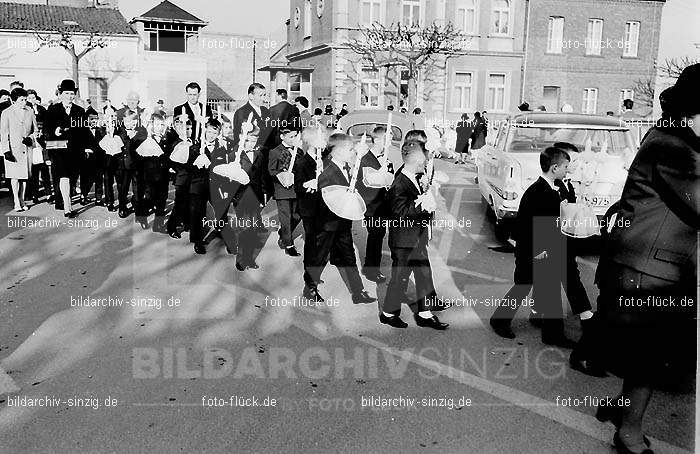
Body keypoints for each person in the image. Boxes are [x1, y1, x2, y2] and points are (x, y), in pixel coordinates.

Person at [591, 64, 698, 454]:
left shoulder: (679, 142)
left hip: (657, 268)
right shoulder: (672, 146)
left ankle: (621, 409)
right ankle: (628, 434)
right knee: (649, 359)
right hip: (647, 272)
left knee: (648, 355)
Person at [490, 147, 575, 347]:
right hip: (534, 249)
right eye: (565, 167)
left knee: (542, 287)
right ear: (554, 168)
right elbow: (532, 227)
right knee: (529, 286)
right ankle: (500, 321)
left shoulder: (551, 187)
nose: (567, 171)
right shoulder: (540, 192)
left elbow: (566, 206)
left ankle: (545, 327)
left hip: (540, 246)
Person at [381, 140, 448, 330]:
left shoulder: (413, 177)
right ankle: (388, 313)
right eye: (423, 160)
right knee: (399, 278)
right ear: (416, 161)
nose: (426, 163)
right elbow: (398, 213)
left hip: (416, 238)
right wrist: (420, 205)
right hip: (404, 241)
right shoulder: (400, 183)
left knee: (424, 274)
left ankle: (425, 313)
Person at [302, 133, 376, 305]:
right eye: (350, 149)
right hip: (327, 224)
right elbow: (323, 200)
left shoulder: (348, 168)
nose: (352, 153)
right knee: (319, 257)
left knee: (349, 258)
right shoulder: (327, 172)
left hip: (343, 223)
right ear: (337, 151)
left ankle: (358, 292)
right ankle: (310, 288)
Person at [43, 79, 89, 218]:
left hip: (75, 150)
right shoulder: (53, 110)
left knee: (72, 177)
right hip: (59, 150)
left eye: (72, 93)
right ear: (61, 94)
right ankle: (67, 207)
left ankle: (65, 200)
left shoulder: (80, 111)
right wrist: (54, 131)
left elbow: (84, 131)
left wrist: (88, 147)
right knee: (64, 177)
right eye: (66, 93)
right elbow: (46, 129)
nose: (69, 96)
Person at [357, 125, 395, 283]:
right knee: (376, 236)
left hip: (383, 204)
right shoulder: (366, 159)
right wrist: (383, 174)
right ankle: (371, 269)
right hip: (371, 206)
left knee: (379, 236)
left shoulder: (386, 158)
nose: (391, 142)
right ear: (378, 139)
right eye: (388, 138)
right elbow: (370, 182)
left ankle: (371, 266)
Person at [232, 125, 268, 270]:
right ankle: (241, 259)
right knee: (244, 229)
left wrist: (263, 197)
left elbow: (263, 178)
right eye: (247, 140)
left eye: (253, 141)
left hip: (256, 197)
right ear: (242, 138)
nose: (250, 144)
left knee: (253, 229)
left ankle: (249, 257)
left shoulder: (260, 155)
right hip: (240, 197)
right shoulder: (236, 154)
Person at [295, 126, 324, 288]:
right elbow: (298, 187)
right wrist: (308, 183)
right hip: (309, 208)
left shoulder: (324, 159)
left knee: (320, 243)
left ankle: (314, 273)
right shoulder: (303, 162)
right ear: (313, 142)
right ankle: (309, 279)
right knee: (312, 242)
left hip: (322, 207)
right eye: (322, 138)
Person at [138, 113, 177, 232]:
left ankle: (158, 224)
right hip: (150, 175)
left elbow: (169, 155)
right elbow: (142, 158)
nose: (160, 127)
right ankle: (142, 216)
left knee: (162, 198)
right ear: (152, 125)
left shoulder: (166, 139)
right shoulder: (148, 140)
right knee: (149, 198)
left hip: (163, 174)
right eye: (157, 124)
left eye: (162, 124)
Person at [1, 87, 38, 212]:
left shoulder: (30, 111)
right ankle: (16, 201)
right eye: (21, 100)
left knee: (24, 177)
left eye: (25, 100)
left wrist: (31, 138)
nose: (24, 103)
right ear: (13, 100)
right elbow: (4, 133)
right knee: (14, 177)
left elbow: (36, 130)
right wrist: (5, 150)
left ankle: (22, 200)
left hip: (26, 148)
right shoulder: (6, 113)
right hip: (13, 150)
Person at [186, 118, 219, 254]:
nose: (210, 135)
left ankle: (222, 231)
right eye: (209, 131)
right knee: (197, 213)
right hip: (198, 184)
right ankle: (197, 240)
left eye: (214, 133)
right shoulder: (195, 147)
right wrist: (197, 162)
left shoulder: (221, 147)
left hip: (214, 184)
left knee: (221, 209)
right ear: (204, 130)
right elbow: (188, 167)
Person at [268, 127, 303, 256]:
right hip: (282, 190)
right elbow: (271, 170)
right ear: (283, 137)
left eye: (296, 136)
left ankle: (283, 232)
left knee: (297, 214)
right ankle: (288, 244)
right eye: (291, 137)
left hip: (296, 189)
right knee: (285, 217)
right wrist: (282, 175)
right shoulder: (275, 152)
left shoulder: (299, 151)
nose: (294, 139)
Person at [115, 110, 147, 219]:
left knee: (138, 187)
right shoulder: (119, 132)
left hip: (137, 164)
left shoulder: (141, 132)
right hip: (122, 165)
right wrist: (130, 137)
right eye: (128, 121)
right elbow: (122, 147)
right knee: (122, 188)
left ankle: (138, 208)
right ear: (123, 121)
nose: (131, 124)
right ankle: (122, 207)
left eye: (134, 121)